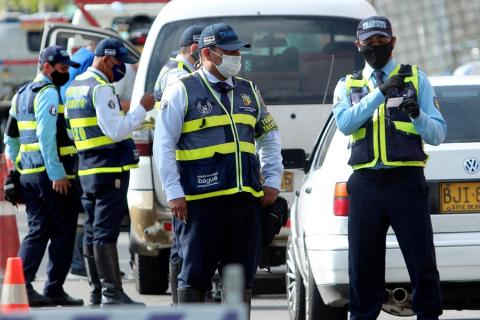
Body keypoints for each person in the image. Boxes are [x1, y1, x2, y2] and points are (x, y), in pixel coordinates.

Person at [153, 23, 283, 312]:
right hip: (200, 204)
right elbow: (162, 144)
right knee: (194, 277)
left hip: (244, 202)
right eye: (230, 51)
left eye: (239, 50)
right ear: (207, 53)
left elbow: (270, 136)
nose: (238, 56)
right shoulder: (181, 91)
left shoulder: (249, 91)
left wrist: (273, 179)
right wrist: (173, 191)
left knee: (239, 279)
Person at [332, 16, 447, 320]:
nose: (375, 48)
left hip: (405, 181)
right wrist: (379, 93)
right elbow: (344, 124)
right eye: (368, 44)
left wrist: (418, 117)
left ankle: (428, 315)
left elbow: (438, 134)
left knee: (421, 258)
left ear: (393, 42)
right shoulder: (348, 84)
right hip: (366, 183)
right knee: (362, 262)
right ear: (358, 46)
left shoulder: (416, 79)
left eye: (381, 42)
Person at [64, 38, 154, 306]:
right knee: (105, 233)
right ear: (106, 58)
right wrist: (141, 109)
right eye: (119, 63)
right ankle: (112, 293)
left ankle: (97, 292)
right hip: (108, 169)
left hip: (88, 168)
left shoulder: (74, 88)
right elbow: (116, 130)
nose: (121, 69)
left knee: (92, 231)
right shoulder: (100, 89)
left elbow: (73, 131)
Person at [4, 45, 83, 307]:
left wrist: (15, 170)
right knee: (63, 231)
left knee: (38, 230)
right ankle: (54, 289)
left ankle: (22, 285)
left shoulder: (21, 94)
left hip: (30, 176)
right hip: (51, 178)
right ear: (46, 66)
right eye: (61, 69)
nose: (64, 73)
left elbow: (10, 139)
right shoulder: (48, 93)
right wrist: (57, 174)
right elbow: (45, 136)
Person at [153, 24, 204, 305]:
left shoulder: (170, 68)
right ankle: (180, 301)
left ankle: (179, 301)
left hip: (179, 166)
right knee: (184, 243)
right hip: (183, 166)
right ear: (196, 50)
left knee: (180, 243)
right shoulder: (178, 76)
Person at [60, 44, 96, 278]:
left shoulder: (66, 89)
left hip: (72, 160)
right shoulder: (82, 88)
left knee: (79, 215)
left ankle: (81, 264)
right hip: (77, 160)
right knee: (82, 215)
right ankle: (80, 264)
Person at [153, 25, 204, 105]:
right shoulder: (178, 74)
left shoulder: (179, 67)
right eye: (208, 50)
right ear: (194, 49)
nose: (210, 54)